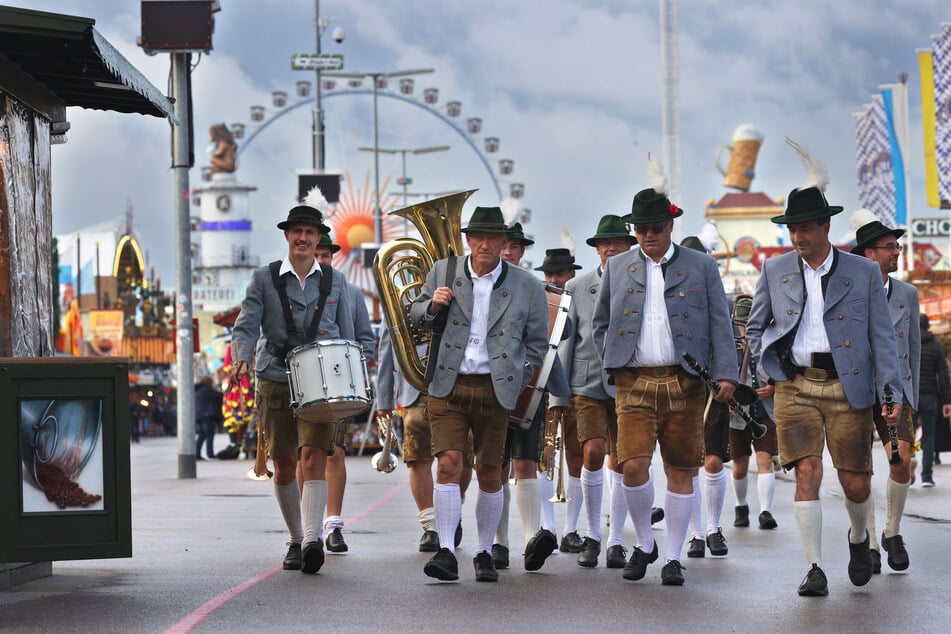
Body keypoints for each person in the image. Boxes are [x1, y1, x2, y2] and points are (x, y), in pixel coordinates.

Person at [745, 138, 903, 597]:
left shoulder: (863, 271)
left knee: (856, 482)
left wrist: (890, 394)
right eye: (792, 228)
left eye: (806, 227)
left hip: (848, 385)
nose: (797, 236)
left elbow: (883, 338)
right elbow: (755, 327)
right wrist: (766, 370)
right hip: (794, 385)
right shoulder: (775, 270)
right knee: (807, 471)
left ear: (826, 225)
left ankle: (858, 538)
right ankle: (814, 566)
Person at [593, 158, 738, 586]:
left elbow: (720, 324)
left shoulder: (701, 266)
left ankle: (672, 556)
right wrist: (611, 361)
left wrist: (727, 372)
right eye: (641, 229)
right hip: (633, 381)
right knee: (632, 466)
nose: (648, 235)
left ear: (670, 226)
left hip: (686, 382)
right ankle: (644, 542)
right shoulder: (618, 267)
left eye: (655, 227)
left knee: (682, 469)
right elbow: (600, 322)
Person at [411, 205, 549, 582]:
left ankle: (486, 552)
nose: (485, 244)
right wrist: (431, 305)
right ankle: (445, 550)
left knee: (491, 473)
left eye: (493, 238)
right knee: (449, 465)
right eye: (479, 237)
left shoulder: (528, 285)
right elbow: (414, 315)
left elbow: (537, 343)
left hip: (496, 388)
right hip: (449, 386)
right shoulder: (444, 271)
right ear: (468, 240)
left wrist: (516, 379)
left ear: (505, 241)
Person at [230, 188, 355, 575]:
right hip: (274, 376)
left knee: (313, 456)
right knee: (284, 463)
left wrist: (352, 383)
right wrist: (239, 358)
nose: (304, 238)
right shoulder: (263, 278)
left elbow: (347, 334)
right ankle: (296, 537)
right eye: (297, 231)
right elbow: (247, 325)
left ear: (319, 238)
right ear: (287, 235)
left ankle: (314, 538)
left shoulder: (335, 281)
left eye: (310, 232)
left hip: (320, 379)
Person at [554, 215, 647, 570]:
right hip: (586, 383)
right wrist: (558, 396)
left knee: (623, 460)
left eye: (618, 244)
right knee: (593, 451)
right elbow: (565, 343)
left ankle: (614, 540)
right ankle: (592, 533)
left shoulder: (642, 283)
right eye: (604, 244)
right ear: (595, 249)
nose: (611, 248)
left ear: (629, 247)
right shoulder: (577, 288)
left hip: (628, 384)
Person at [851, 214, 920, 572]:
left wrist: (913, 396)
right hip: (858, 388)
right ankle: (872, 542)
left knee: (902, 460)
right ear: (869, 254)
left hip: (897, 388)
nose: (897, 251)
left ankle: (893, 532)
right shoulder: (848, 291)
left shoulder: (908, 293)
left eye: (897, 245)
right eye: (889, 246)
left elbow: (915, 348)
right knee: (862, 471)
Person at [375, 326, 471, 551]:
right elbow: (387, 349)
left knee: (463, 456)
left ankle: (452, 510)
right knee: (418, 457)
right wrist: (383, 399)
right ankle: (431, 526)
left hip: (457, 386)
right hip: (414, 389)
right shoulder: (401, 294)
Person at [313, 233, 377, 555]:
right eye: (317, 254)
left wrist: (357, 365)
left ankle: (334, 525)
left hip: (339, 382)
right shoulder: (291, 287)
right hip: (304, 380)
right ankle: (309, 526)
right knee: (305, 455)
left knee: (334, 453)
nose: (322, 260)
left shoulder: (350, 293)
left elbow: (367, 339)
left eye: (327, 255)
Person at [490, 221, 537, 569]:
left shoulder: (533, 286)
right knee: (495, 464)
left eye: (514, 247)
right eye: (503, 245)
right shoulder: (482, 283)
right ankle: (499, 541)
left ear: (521, 251)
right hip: (487, 386)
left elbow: (543, 341)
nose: (507, 251)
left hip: (525, 384)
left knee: (526, 461)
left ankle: (533, 539)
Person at [728, 295, 780, 532]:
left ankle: (765, 511)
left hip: (765, 408)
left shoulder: (768, 340)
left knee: (765, 459)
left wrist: (773, 387)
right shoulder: (727, 342)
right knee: (739, 464)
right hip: (737, 411)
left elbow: (781, 366)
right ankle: (741, 506)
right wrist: (726, 397)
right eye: (741, 324)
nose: (745, 329)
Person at [916, 314, 951, 487]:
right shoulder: (936, 346)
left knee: (907, 435)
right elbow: (944, 374)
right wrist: (946, 401)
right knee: (929, 436)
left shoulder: (909, 342)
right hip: (930, 396)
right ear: (929, 326)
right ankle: (926, 476)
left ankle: (908, 465)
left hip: (911, 396)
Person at [194, 375, 223, 460]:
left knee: (202, 435)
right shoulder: (207, 389)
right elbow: (218, 396)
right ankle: (210, 453)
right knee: (209, 435)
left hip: (199, 416)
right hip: (207, 415)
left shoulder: (198, 390)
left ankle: (197, 454)